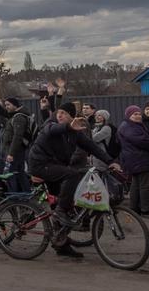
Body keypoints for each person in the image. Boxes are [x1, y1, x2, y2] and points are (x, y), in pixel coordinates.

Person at [27, 102, 121, 258]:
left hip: (55, 167)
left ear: (72, 116)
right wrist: (68, 127)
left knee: (66, 204)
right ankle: (60, 211)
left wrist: (110, 161)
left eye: (64, 113)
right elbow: (53, 129)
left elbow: (92, 147)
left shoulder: (75, 132)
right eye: (59, 112)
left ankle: (61, 244)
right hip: (40, 164)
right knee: (71, 176)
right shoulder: (51, 125)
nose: (60, 115)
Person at [118, 105, 149, 216]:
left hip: (134, 159)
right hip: (139, 159)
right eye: (135, 114)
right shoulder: (129, 127)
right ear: (129, 115)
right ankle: (146, 210)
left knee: (135, 184)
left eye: (139, 114)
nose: (138, 116)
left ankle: (133, 208)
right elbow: (141, 141)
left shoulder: (131, 125)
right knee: (145, 184)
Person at [1, 97, 33, 193]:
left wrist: (11, 153)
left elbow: (17, 137)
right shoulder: (15, 116)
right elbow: (2, 111)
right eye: (5, 105)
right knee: (20, 174)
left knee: (11, 175)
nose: (6, 107)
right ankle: (25, 196)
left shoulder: (19, 117)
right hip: (16, 151)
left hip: (15, 152)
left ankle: (13, 199)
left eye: (8, 105)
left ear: (15, 105)